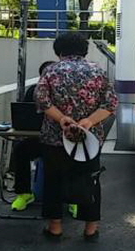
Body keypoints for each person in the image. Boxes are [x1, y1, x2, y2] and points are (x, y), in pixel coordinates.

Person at [35, 32, 118, 242]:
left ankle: (55, 228)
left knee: (53, 180)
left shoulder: (51, 71)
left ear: (59, 51)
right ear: (84, 50)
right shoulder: (97, 71)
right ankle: (90, 229)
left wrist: (62, 119)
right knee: (90, 180)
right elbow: (111, 104)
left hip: (55, 137)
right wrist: (89, 121)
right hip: (88, 139)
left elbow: (41, 100)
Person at [10, 60, 55, 211]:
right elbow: (24, 115)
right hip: (39, 139)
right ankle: (24, 193)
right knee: (20, 150)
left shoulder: (66, 90)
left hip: (62, 141)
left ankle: (72, 197)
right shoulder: (33, 91)